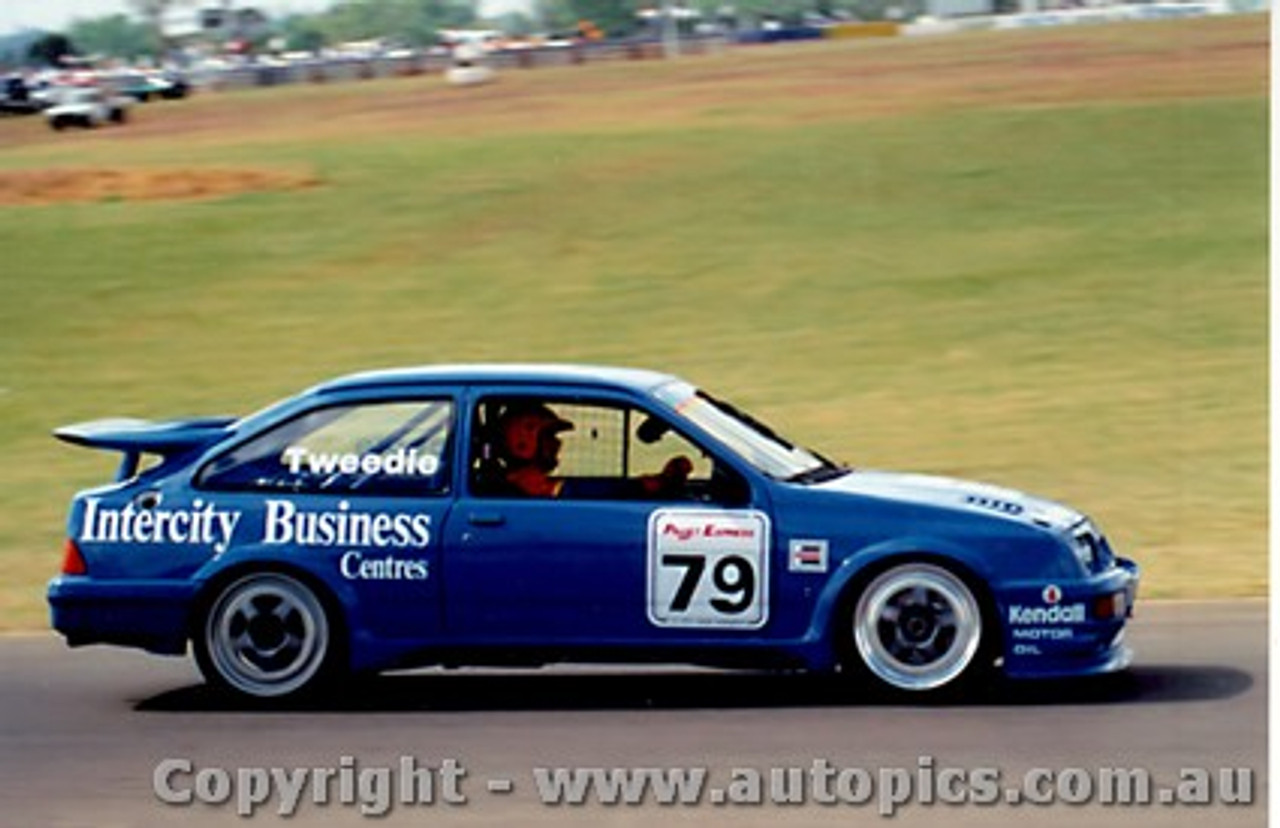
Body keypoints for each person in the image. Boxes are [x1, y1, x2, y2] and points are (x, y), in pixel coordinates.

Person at [492, 402, 692, 499]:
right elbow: (589, 491)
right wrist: (657, 482)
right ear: (523, 443)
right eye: (550, 438)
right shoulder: (530, 484)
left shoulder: (519, 481)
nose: (558, 445)